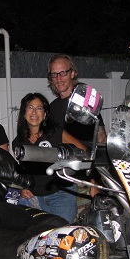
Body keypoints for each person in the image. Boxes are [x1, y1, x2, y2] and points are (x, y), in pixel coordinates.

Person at [12, 92, 88, 223]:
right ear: (24, 113)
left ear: (45, 114)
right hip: (34, 197)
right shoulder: (18, 143)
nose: (34, 112)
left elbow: (83, 151)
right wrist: (24, 188)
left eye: (39, 108)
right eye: (30, 107)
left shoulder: (56, 133)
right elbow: (25, 173)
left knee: (60, 234)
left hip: (61, 193)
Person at [47, 54, 105, 206]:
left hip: (86, 180)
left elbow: (101, 141)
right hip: (64, 179)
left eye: (63, 73)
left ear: (73, 73)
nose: (59, 78)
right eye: (54, 74)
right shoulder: (52, 108)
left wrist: (95, 181)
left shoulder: (84, 102)